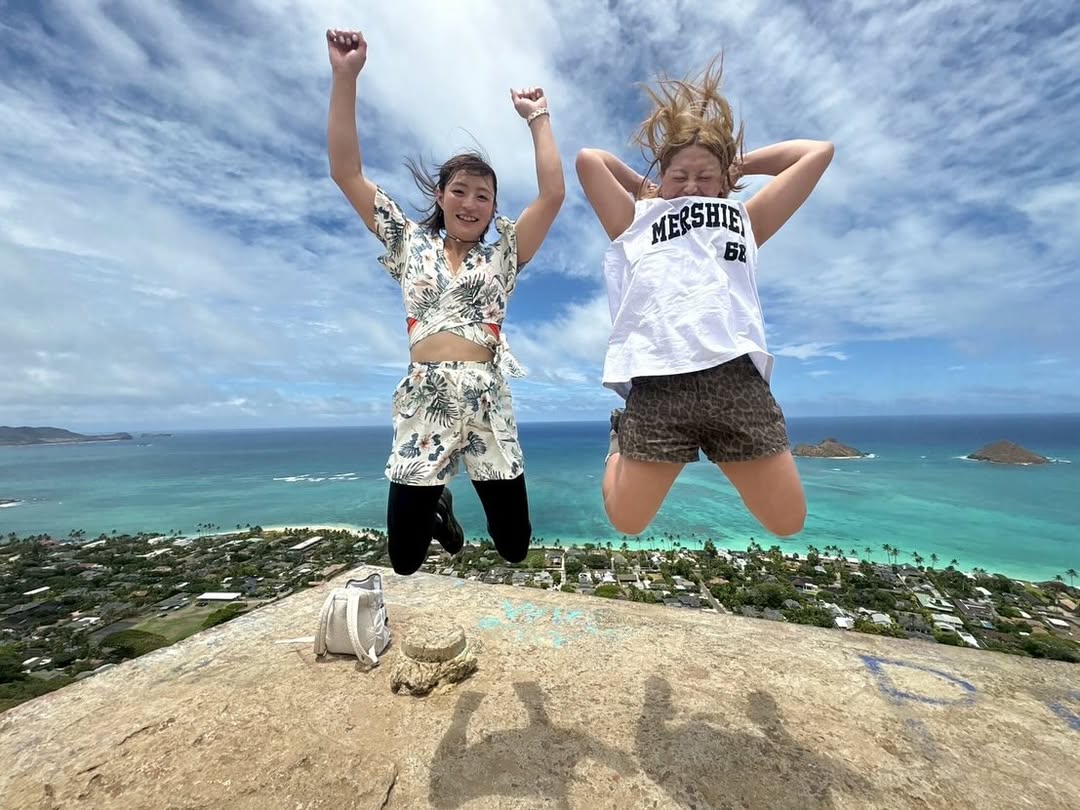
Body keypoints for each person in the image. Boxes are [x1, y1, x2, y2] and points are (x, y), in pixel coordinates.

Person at [326, 28, 565, 574]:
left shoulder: (504, 256)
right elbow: (346, 172)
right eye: (459, 190)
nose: (470, 202)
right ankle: (438, 505)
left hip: (486, 398)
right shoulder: (409, 243)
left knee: (514, 545)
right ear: (440, 194)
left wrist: (538, 117)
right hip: (425, 398)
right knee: (405, 560)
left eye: (483, 195)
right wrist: (345, 76)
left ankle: (455, 498)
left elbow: (553, 194)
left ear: (493, 208)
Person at [575, 55, 833, 539]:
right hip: (658, 378)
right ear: (662, 179)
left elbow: (818, 152)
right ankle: (618, 441)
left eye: (706, 177)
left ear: (725, 184)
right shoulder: (638, 222)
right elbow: (590, 160)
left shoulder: (745, 219)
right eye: (680, 176)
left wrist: (738, 165)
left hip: (734, 379)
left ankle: (706, 169)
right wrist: (649, 190)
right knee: (628, 521)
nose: (692, 185)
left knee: (787, 521)